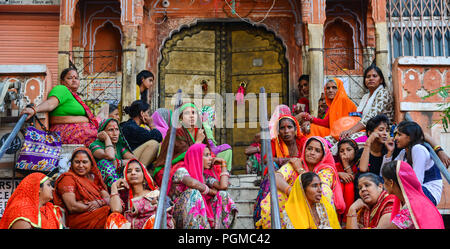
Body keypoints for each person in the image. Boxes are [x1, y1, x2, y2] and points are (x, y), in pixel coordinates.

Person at [255, 136, 344, 229]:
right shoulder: (296, 162)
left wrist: (299, 169)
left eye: (317, 151)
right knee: (279, 194)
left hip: (314, 204)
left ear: (323, 155)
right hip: (294, 206)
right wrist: (291, 191)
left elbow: (318, 188)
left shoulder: (326, 170)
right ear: (304, 149)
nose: (312, 153)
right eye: (309, 149)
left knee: (324, 191)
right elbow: (276, 177)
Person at [20, 67, 99, 147]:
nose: (74, 80)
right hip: (64, 131)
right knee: (100, 137)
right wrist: (34, 110)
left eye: (76, 78)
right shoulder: (62, 89)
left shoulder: (75, 97)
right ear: (62, 82)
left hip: (76, 131)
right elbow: (51, 104)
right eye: (70, 78)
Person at [166, 144, 237, 229]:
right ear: (196, 157)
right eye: (206, 155)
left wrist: (223, 164)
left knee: (223, 194)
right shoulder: (181, 171)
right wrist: (212, 192)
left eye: (210, 155)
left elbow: (223, 186)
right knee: (193, 193)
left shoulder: (205, 176)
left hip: (201, 216)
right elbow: (193, 183)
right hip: (179, 215)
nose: (211, 158)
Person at [253, 115, 306, 227]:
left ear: (296, 129)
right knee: (272, 168)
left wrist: (295, 163)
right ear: (278, 130)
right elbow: (267, 159)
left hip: (299, 173)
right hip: (280, 177)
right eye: (282, 128)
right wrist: (289, 160)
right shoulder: (274, 142)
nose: (286, 131)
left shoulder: (303, 141)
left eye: (289, 127)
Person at [383, 121, 443, 206]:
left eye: (399, 135)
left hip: (429, 193)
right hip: (415, 192)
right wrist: (389, 152)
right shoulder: (404, 153)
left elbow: (417, 181)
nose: (395, 138)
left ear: (410, 137)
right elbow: (386, 172)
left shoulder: (418, 149)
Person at [105, 159, 174, 229]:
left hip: (150, 226)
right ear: (125, 177)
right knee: (113, 217)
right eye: (129, 171)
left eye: (137, 170)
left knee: (156, 219)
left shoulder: (155, 194)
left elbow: (168, 219)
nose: (133, 173)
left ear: (144, 176)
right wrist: (114, 186)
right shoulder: (124, 197)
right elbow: (116, 210)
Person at [153, 103, 209, 186]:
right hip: (171, 167)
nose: (191, 116)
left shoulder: (199, 129)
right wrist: (197, 142)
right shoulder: (176, 130)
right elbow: (183, 156)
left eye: (194, 113)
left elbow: (207, 151)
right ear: (181, 118)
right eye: (187, 113)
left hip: (194, 165)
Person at [53, 147, 111, 229]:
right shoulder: (68, 178)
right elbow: (72, 207)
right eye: (77, 162)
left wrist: (99, 203)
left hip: (96, 213)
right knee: (109, 211)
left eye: (85, 162)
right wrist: (99, 204)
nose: (81, 166)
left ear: (91, 164)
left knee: (113, 208)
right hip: (78, 219)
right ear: (72, 164)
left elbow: (108, 198)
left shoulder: (94, 178)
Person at [381, 160, 444, 229]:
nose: (383, 185)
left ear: (391, 183)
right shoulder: (416, 200)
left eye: (384, 181)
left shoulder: (413, 205)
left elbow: (393, 227)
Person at [339, 64, 394, 141]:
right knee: (331, 138)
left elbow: (370, 117)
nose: (371, 78)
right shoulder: (365, 96)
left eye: (374, 76)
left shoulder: (383, 93)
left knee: (347, 139)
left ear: (381, 80)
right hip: (366, 130)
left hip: (381, 131)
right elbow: (359, 116)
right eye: (368, 76)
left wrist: (350, 131)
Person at [0, 173, 65, 229]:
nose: (52, 189)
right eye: (48, 185)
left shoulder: (50, 209)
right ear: (38, 188)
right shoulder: (21, 209)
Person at [89, 118, 136, 187]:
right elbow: (110, 156)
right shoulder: (95, 145)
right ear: (102, 132)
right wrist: (107, 139)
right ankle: (116, 186)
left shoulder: (118, 145)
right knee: (104, 163)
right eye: (111, 130)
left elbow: (134, 160)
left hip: (120, 178)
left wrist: (119, 163)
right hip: (102, 182)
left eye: (117, 130)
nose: (115, 134)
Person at [120, 100, 163, 170]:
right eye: (148, 113)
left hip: (129, 158)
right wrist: (151, 125)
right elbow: (158, 137)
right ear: (142, 113)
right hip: (126, 161)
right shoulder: (132, 127)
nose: (149, 116)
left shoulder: (130, 125)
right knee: (153, 144)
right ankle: (140, 172)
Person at [200, 105, 233, 171]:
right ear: (211, 116)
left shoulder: (205, 126)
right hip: (207, 155)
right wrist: (224, 147)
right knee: (228, 149)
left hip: (207, 154)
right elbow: (210, 147)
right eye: (216, 116)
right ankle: (225, 170)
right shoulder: (206, 127)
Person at [335, 138, 359, 219]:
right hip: (338, 197)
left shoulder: (358, 165)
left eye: (349, 150)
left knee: (349, 185)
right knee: (340, 185)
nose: (345, 153)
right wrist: (338, 173)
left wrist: (346, 164)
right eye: (342, 151)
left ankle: (347, 219)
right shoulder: (336, 166)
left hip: (353, 196)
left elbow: (352, 179)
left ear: (355, 152)